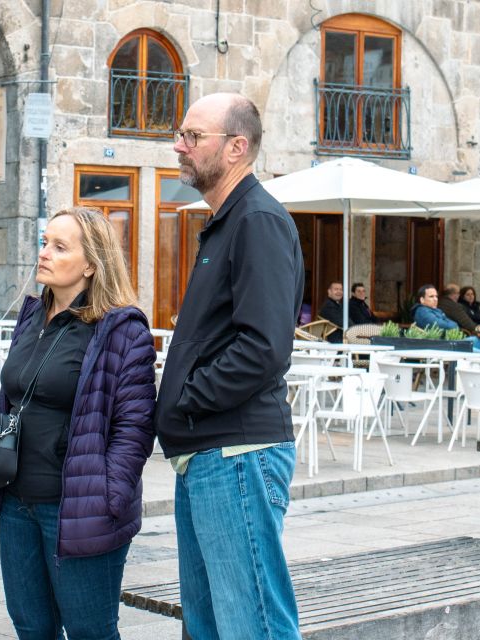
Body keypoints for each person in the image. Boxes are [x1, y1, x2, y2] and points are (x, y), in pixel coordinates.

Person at [155, 93, 303, 640]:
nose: (179, 146)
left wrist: (187, 397)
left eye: (193, 137)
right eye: (181, 134)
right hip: (208, 454)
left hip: (235, 453)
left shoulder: (257, 221)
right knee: (210, 628)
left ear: (237, 147)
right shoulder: (228, 221)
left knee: (252, 628)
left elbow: (263, 348)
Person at [0, 206, 156, 640]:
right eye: (44, 243)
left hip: (79, 507)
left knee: (91, 632)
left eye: (59, 246)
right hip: (18, 502)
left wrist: (110, 495)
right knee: (32, 629)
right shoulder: (32, 317)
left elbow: (136, 426)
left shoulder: (121, 329)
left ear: (91, 264)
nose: (45, 254)